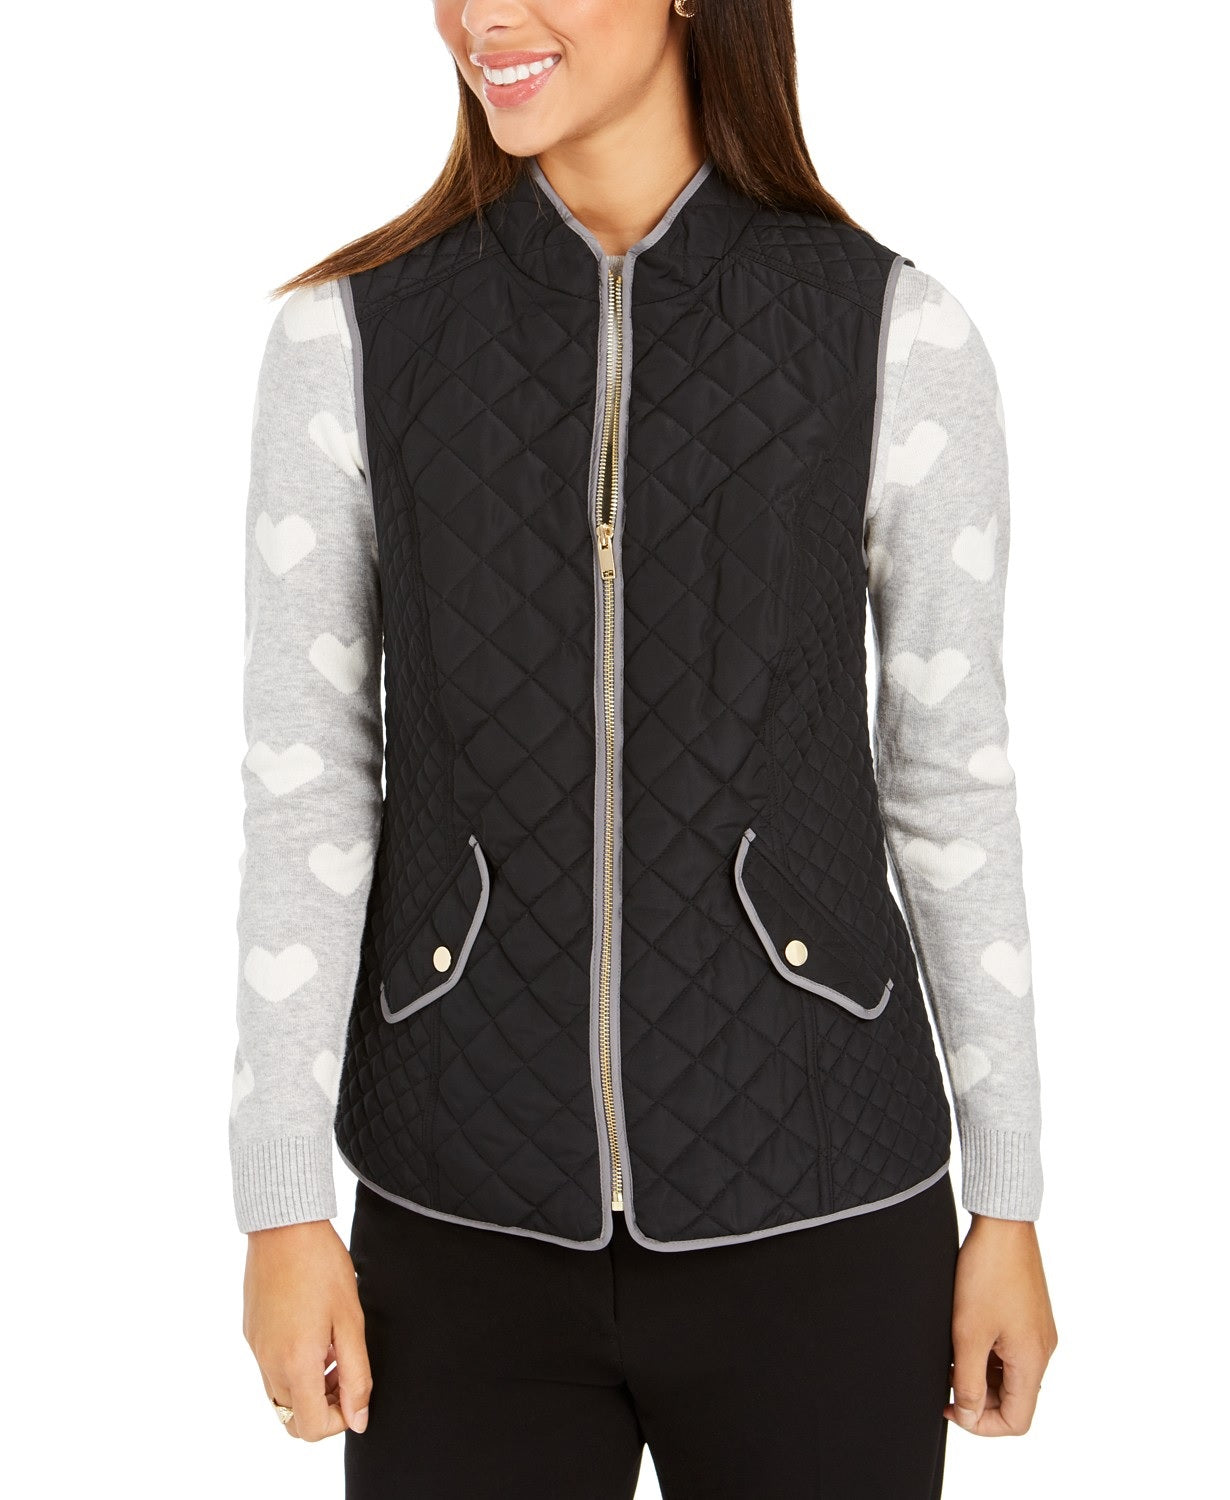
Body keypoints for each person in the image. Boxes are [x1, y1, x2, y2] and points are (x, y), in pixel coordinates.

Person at [231, 2, 1058, 1496]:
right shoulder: (348, 337)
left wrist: (1007, 1198)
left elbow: (949, 776)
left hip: (822, 1204)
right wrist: (282, 1204)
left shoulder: (893, 333)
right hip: (456, 1214)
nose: (484, 14)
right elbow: (307, 782)